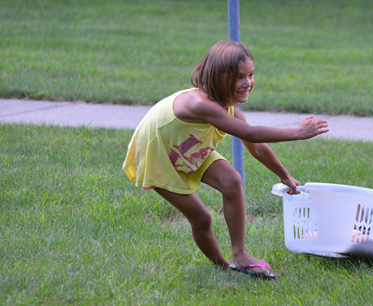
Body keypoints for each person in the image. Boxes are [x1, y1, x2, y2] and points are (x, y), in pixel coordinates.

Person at [122, 40, 329, 279]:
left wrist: (284, 174)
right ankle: (224, 267)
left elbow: (256, 147)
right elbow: (249, 134)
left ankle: (240, 255)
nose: (248, 83)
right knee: (202, 217)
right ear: (218, 77)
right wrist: (296, 133)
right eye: (239, 77)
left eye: (251, 74)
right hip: (158, 156)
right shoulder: (201, 105)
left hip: (185, 147)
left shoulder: (226, 105)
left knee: (232, 179)